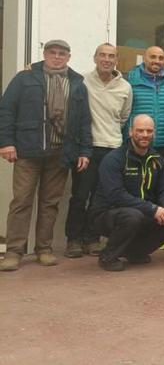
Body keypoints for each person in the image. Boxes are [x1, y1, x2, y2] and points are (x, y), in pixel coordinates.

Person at [0, 39, 92, 271]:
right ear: (45, 53)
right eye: (53, 52)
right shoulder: (25, 78)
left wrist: (84, 151)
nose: (57, 57)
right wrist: (7, 143)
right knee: (21, 202)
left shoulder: (77, 83)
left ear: (69, 57)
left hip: (60, 153)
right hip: (27, 151)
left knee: (50, 204)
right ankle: (13, 251)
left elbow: (83, 120)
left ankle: (44, 249)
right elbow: (7, 110)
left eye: (62, 53)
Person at [89, 115, 164, 271]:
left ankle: (135, 252)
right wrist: (153, 209)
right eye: (140, 130)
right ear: (130, 132)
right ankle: (108, 256)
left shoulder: (157, 159)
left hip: (144, 212)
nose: (145, 135)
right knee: (133, 216)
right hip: (108, 214)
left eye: (149, 131)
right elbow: (116, 195)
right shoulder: (114, 159)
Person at [65, 43, 132, 259]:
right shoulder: (81, 81)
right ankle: (73, 240)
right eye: (102, 55)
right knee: (80, 196)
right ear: (94, 58)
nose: (106, 59)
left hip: (112, 149)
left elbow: (123, 117)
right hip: (87, 149)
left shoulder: (125, 87)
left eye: (111, 56)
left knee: (100, 199)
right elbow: (55, 69)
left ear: (116, 60)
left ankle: (92, 239)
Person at [126, 45, 164, 177]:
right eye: (153, 57)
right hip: (136, 144)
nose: (157, 60)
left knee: (162, 185)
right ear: (144, 58)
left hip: (163, 144)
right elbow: (124, 112)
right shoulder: (130, 81)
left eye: (161, 58)